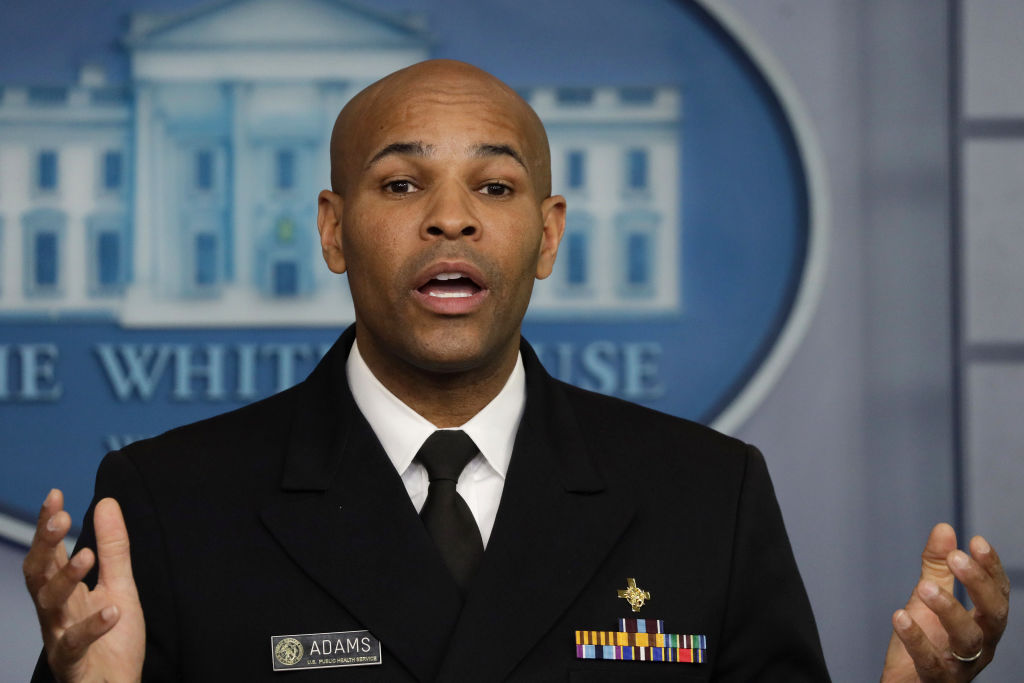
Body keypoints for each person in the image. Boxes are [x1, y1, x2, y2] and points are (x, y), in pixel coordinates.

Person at [24, 60, 1008, 682]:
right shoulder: (168, 498)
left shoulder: (708, 493)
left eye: (492, 186)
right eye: (401, 183)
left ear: (545, 235)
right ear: (332, 230)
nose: (449, 217)